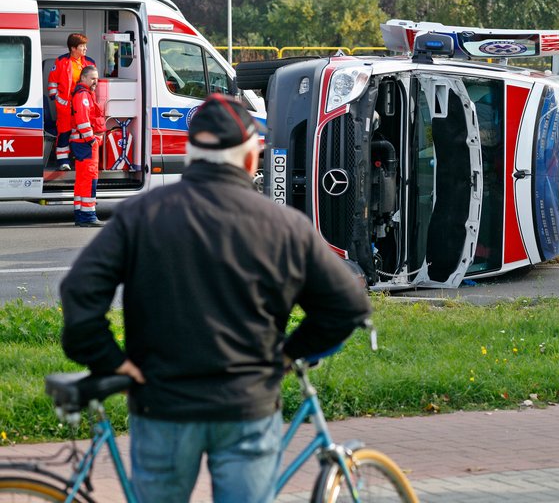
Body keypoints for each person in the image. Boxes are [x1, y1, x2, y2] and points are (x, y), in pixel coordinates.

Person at [59, 94, 372, 503]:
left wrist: (109, 359)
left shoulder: (142, 215)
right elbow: (347, 305)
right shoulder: (284, 226)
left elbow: (79, 292)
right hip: (247, 406)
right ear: (248, 160)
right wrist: (289, 353)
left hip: (163, 406)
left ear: (191, 157)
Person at [48, 33, 96, 170]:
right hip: (65, 106)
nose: (85, 49)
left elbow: (94, 83)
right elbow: (52, 82)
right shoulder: (61, 61)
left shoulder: (90, 62)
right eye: (82, 46)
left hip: (82, 105)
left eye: (85, 46)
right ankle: (63, 162)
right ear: (73, 48)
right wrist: (57, 98)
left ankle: (79, 159)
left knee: (81, 132)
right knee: (64, 132)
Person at [70, 66, 107, 227]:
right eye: (92, 78)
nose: (95, 82)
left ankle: (80, 214)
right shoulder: (83, 95)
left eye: (97, 78)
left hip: (82, 142)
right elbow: (83, 121)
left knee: (82, 180)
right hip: (86, 143)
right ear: (83, 78)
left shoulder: (84, 94)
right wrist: (92, 140)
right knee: (89, 179)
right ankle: (88, 217)